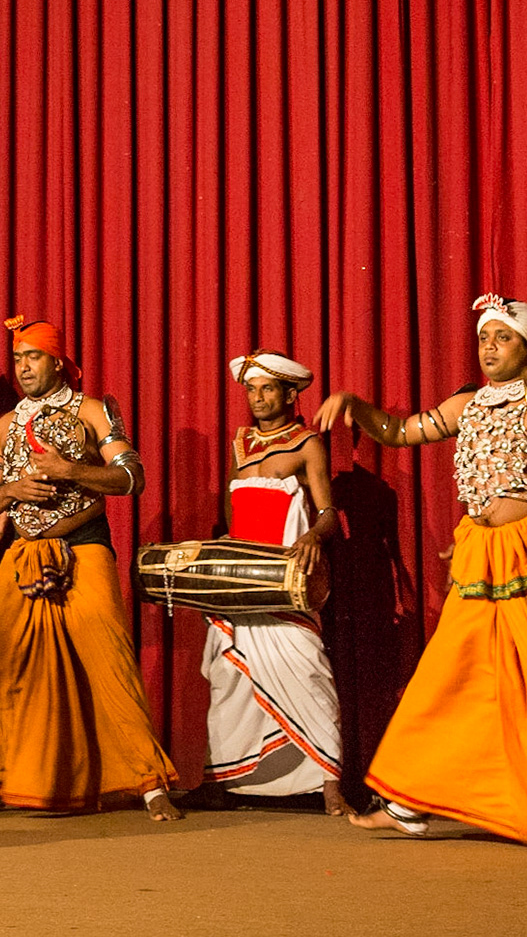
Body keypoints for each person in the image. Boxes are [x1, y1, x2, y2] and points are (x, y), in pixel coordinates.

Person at [317, 293, 527, 855]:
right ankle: (408, 805)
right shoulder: (467, 403)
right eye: (484, 337)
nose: (489, 347)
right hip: (479, 554)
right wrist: (356, 405)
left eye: (503, 338)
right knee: (446, 677)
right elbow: (400, 431)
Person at [0, 315, 182, 820]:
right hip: (22, 554)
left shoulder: (92, 410)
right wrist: (11, 490)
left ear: (57, 362)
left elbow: (132, 477)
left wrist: (70, 470)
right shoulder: (3, 425)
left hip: (84, 546)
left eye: (33, 357)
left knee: (110, 660)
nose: (23, 367)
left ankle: (149, 782)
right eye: (18, 359)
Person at [187, 350, 349, 816]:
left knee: (307, 672)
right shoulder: (239, 445)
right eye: (252, 390)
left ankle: (329, 784)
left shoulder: (306, 444)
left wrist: (313, 536)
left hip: (284, 580)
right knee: (229, 678)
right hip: (239, 583)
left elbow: (328, 513)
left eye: (268, 389)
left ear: (290, 394)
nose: (257, 398)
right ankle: (220, 781)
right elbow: (229, 512)